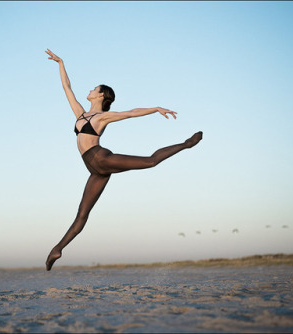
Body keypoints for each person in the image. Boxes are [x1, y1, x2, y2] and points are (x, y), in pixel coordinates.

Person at [45, 49, 202, 271]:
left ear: (101, 95)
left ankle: (186, 144)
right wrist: (61, 63)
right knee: (82, 214)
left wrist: (155, 109)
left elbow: (130, 112)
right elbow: (66, 88)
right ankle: (57, 249)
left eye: (94, 89)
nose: (89, 90)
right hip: (95, 169)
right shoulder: (80, 114)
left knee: (150, 161)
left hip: (100, 158)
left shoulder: (102, 117)